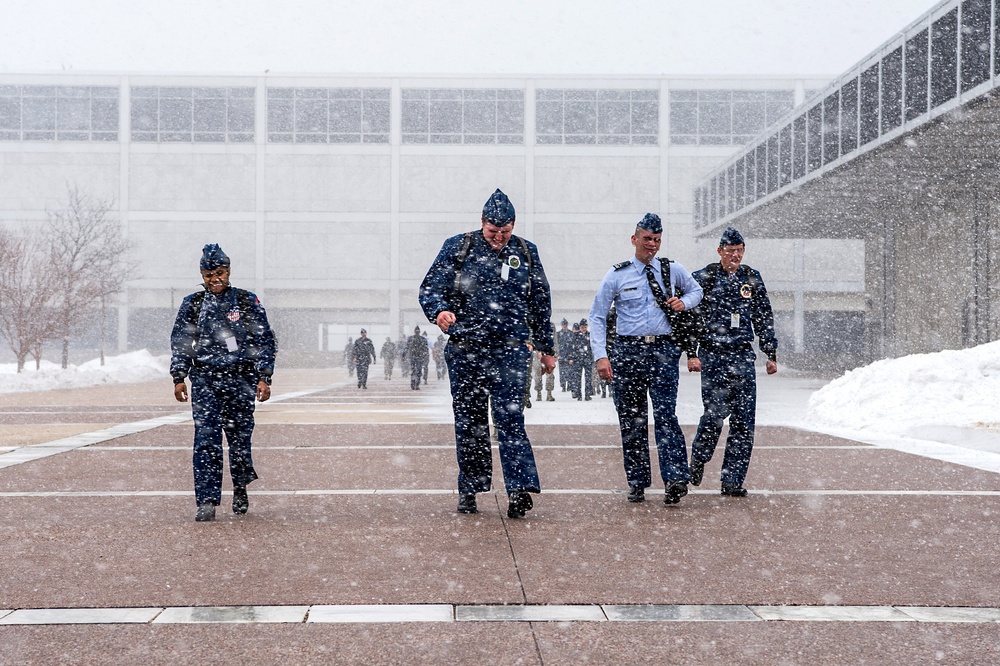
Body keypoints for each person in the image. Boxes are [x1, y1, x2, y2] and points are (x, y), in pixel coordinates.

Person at [419, 188, 555, 519]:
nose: (498, 238)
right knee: (470, 420)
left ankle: (519, 489)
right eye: (493, 232)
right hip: (468, 347)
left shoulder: (525, 251)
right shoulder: (458, 247)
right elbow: (430, 288)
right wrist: (439, 311)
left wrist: (547, 347)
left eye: (505, 232)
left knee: (511, 418)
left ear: (513, 226)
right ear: (482, 223)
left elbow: (540, 301)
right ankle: (471, 487)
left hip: (510, 349)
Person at [588, 213, 703, 506]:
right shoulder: (617, 275)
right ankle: (637, 481)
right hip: (628, 353)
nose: (652, 245)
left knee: (666, 416)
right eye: (647, 239)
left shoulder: (672, 270)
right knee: (632, 420)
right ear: (634, 239)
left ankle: (675, 478)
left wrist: (683, 302)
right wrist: (601, 356)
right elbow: (597, 316)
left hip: (663, 351)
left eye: (657, 240)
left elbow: (696, 291)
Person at [170, 244, 277, 522]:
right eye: (208, 274)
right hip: (205, 381)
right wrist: (179, 376)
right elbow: (182, 342)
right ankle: (206, 500)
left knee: (239, 440)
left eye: (219, 273)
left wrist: (264, 376)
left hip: (240, 380)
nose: (214, 279)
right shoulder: (193, 304)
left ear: (228, 272)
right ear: (201, 274)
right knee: (206, 440)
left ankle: (240, 487)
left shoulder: (245, 301)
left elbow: (264, 340)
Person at [687, 227, 778, 497]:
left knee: (744, 421)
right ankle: (699, 460)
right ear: (719, 251)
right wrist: (691, 352)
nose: (735, 255)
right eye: (730, 251)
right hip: (714, 355)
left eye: (739, 250)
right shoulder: (703, 278)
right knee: (714, 415)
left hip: (742, 354)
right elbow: (691, 319)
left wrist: (770, 352)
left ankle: (732, 480)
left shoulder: (751, 278)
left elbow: (763, 315)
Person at [578, 318, 595, 401]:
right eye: (582, 327)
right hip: (578, 359)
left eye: (585, 327)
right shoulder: (576, 335)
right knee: (578, 377)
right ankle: (579, 394)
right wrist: (572, 357)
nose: (583, 328)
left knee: (588, 377)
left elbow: (592, 347)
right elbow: (572, 347)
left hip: (588, 358)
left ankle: (587, 394)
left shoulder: (590, 335)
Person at [407, 326, 428, 390]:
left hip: (416, 357)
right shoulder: (422, 339)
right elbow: (425, 349)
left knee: (415, 371)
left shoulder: (412, 338)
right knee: (417, 371)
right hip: (417, 357)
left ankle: (414, 384)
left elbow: (407, 347)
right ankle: (415, 384)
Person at [555, 318, 572, 393]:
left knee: (569, 371)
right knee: (562, 372)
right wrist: (557, 354)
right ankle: (563, 386)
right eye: (563, 325)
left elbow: (572, 345)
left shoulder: (571, 333)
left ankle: (569, 385)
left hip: (569, 355)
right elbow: (556, 344)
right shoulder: (558, 334)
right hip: (561, 355)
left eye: (565, 325)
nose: (564, 326)